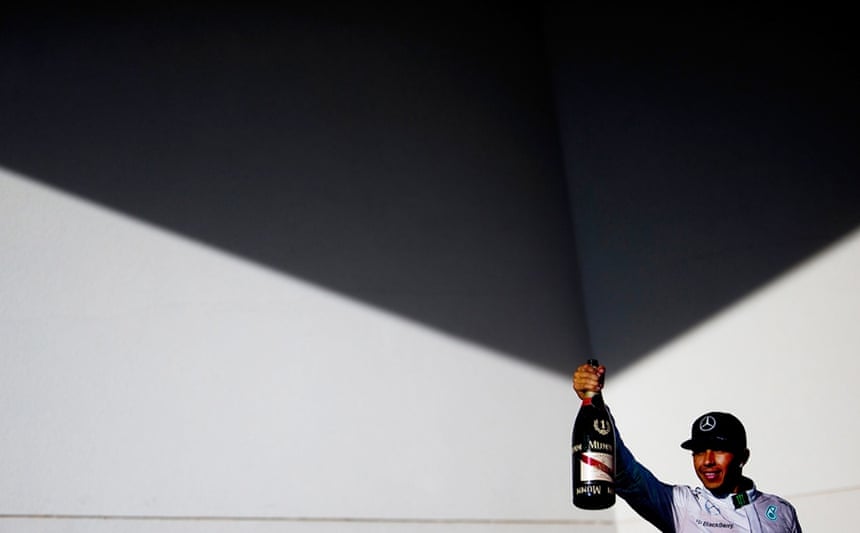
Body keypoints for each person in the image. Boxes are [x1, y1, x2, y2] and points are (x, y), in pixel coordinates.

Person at [573, 362, 802, 532]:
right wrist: (596, 402)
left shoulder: (781, 511)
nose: (707, 460)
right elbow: (626, 476)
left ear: (743, 457)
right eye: (699, 451)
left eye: (719, 449)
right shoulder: (682, 506)